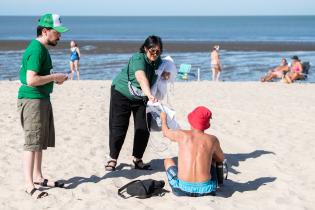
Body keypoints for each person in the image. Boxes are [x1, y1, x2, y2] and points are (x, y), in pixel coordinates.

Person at [17, 13, 69, 199]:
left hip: (41, 98)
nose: (60, 36)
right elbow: (31, 79)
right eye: (57, 32)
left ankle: (38, 177)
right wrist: (55, 77)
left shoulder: (42, 48)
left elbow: (38, 77)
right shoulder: (37, 49)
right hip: (33, 100)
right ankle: (29, 184)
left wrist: (55, 79)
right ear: (45, 31)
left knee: (39, 140)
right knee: (32, 143)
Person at [105, 35, 163, 171]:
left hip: (142, 97)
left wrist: (165, 74)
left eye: (158, 51)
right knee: (119, 127)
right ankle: (112, 158)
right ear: (145, 48)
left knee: (144, 127)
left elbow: (164, 69)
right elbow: (141, 77)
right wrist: (149, 94)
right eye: (152, 51)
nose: (155, 54)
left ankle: (137, 159)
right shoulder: (138, 58)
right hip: (122, 92)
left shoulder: (158, 60)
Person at [160, 106, 225, 197]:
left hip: (181, 189)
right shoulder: (212, 140)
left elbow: (165, 132)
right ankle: (220, 183)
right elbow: (221, 159)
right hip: (207, 190)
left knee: (167, 160)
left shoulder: (181, 134)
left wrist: (163, 119)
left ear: (191, 121)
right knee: (214, 159)